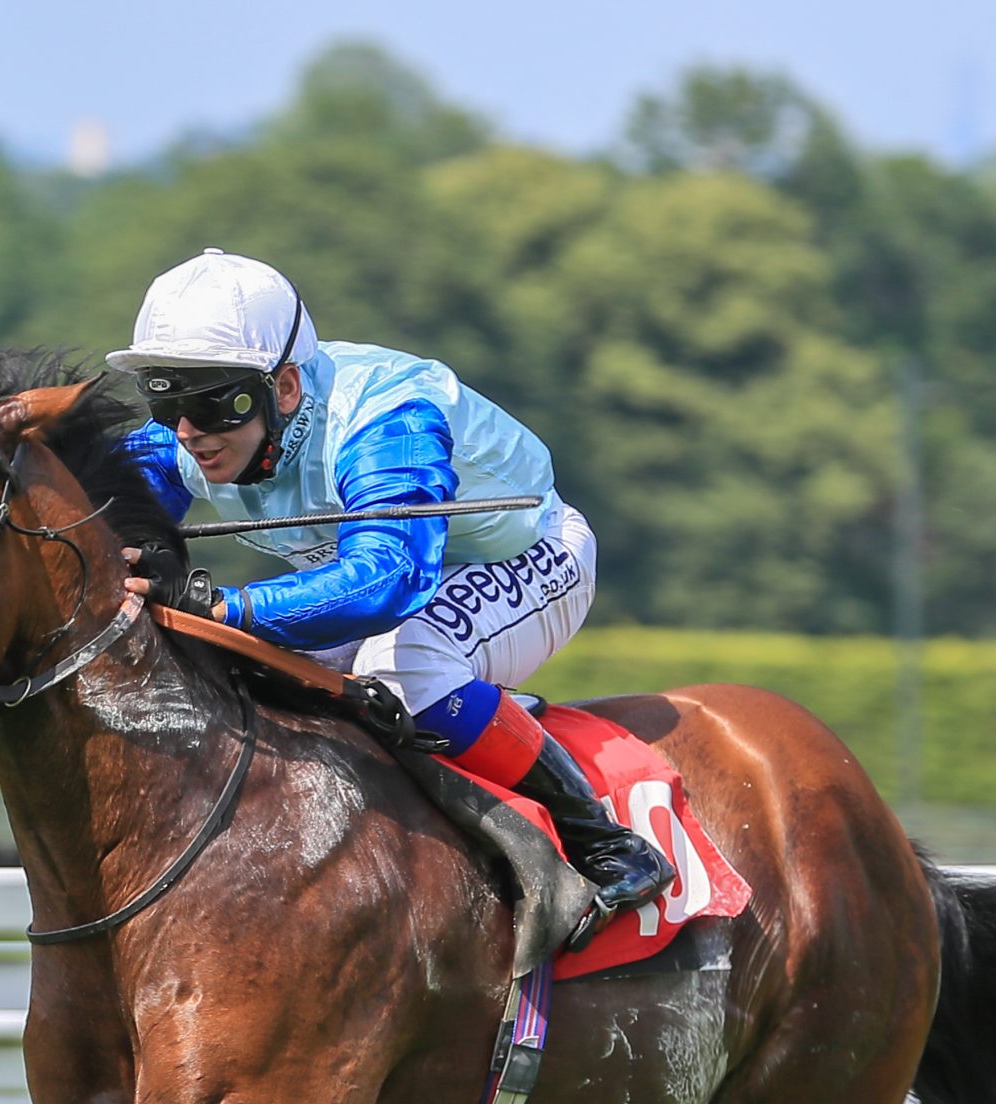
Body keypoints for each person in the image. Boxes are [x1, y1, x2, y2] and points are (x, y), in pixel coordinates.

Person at [108, 248, 672, 924]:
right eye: (167, 400)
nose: (187, 431)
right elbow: (87, 516)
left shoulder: (387, 418)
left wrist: (226, 605)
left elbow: (387, 579)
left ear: (284, 388)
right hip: (398, 581)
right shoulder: (184, 437)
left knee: (404, 668)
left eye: (209, 402)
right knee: (236, 668)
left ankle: (603, 842)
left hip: (531, 556)